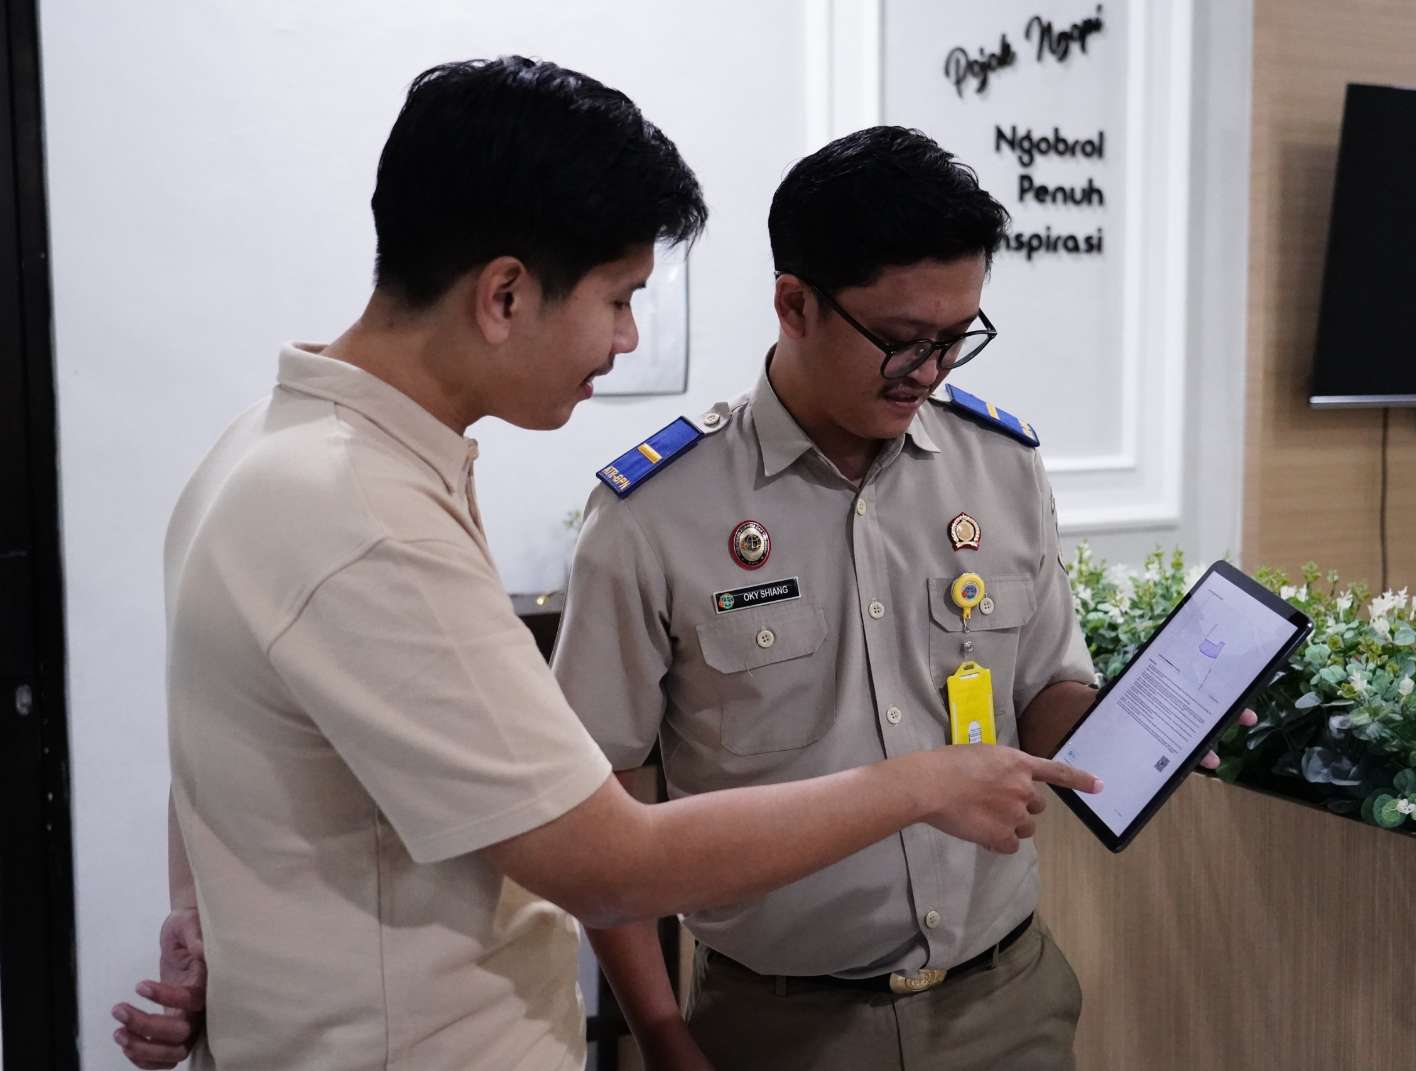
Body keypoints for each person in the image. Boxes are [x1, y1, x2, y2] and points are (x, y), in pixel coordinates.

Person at [109, 64, 1099, 1071]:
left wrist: (204, 922)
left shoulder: (270, 450)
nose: (628, 338)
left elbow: (225, 764)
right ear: (505, 294)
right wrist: (919, 785)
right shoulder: (367, 514)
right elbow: (610, 862)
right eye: (620, 298)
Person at [558, 126, 1255, 1071]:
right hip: (776, 1025)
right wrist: (662, 1032)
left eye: (955, 338)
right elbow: (604, 795)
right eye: (898, 340)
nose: (928, 370)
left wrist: (1147, 728)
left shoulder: (1001, 466)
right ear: (794, 304)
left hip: (1004, 1001)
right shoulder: (655, 514)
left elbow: (1044, 688)